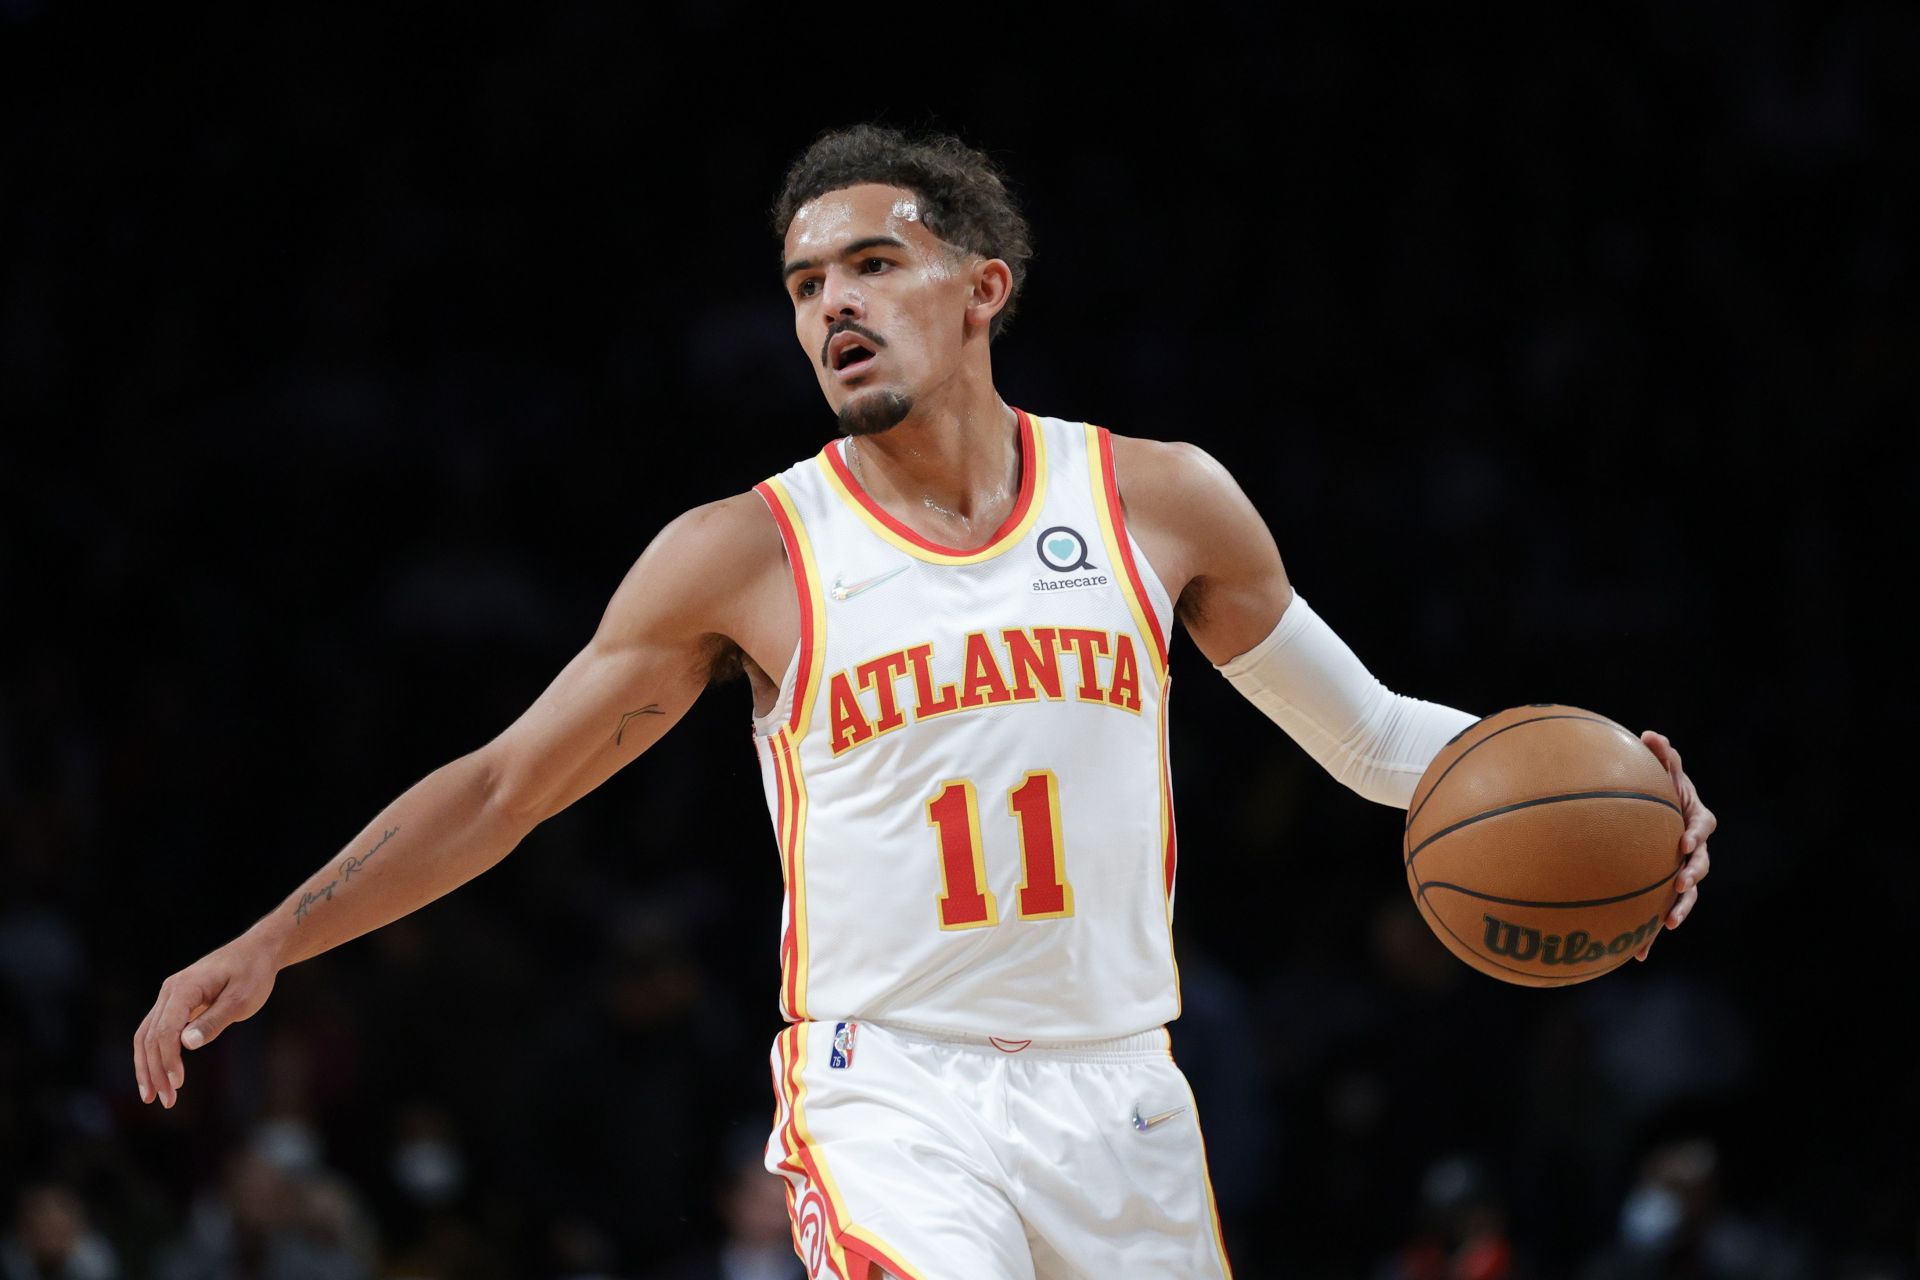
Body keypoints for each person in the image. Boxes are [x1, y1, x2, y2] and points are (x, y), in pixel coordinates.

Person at [133, 124, 1717, 1279]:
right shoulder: (743, 554)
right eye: (804, 280)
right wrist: (276, 938)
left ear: (982, 288)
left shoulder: (1160, 502)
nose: (832, 303)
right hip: (890, 1085)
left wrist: (1630, 798)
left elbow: (1378, 742)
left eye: (874, 264)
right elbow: (501, 790)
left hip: (1122, 1089)